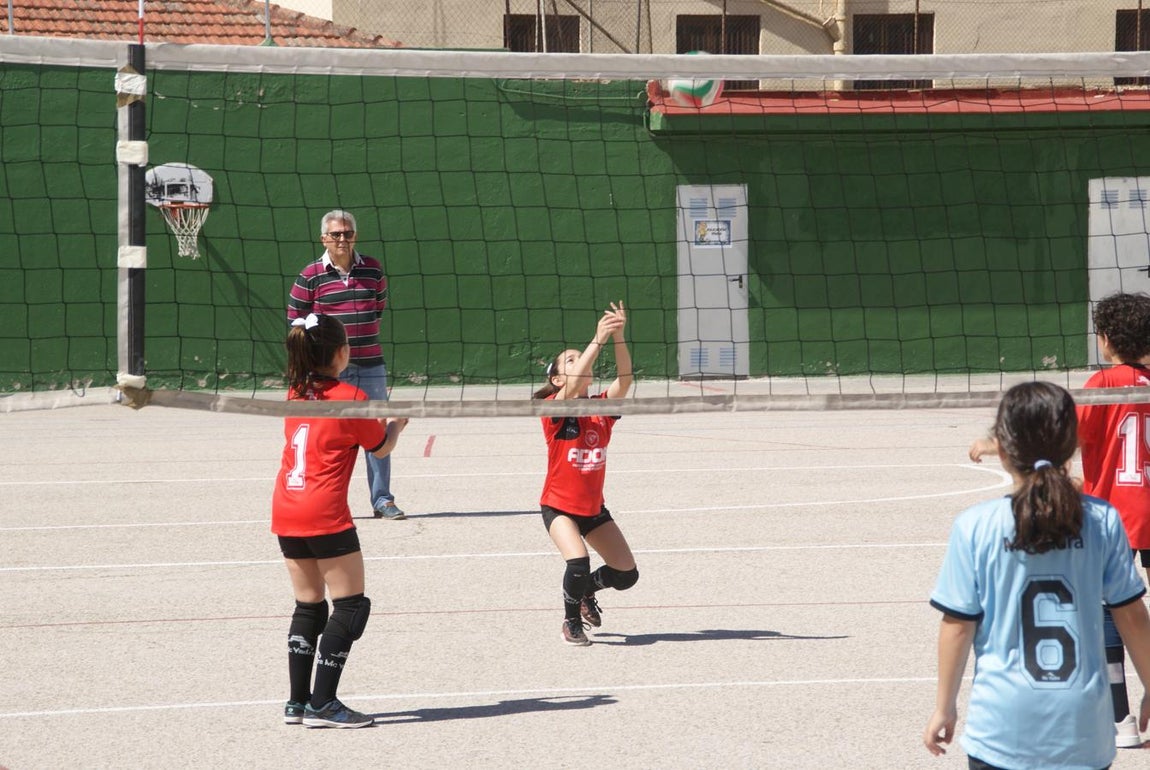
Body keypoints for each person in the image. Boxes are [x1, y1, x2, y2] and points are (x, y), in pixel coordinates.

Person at [925, 381, 1150, 769]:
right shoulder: (1101, 520)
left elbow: (958, 626)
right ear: (1072, 444)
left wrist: (944, 706)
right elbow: (1130, 616)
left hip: (1002, 727)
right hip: (1083, 730)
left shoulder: (975, 525)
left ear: (1003, 449)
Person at [969, 291, 1150, 748]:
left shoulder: (1105, 384)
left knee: (1111, 611)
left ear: (1105, 339)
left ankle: (1121, 719)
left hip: (1118, 513)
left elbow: (1056, 438)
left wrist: (996, 443)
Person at [273, 313, 407, 728]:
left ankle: (297, 703)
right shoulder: (352, 396)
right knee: (351, 607)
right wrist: (396, 426)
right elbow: (379, 449)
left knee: (309, 605)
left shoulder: (295, 391)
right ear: (341, 353)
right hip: (324, 512)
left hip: (285, 507)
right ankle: (323, 703)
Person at [533, 301, 638, 647]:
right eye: (571, 359)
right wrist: (597, 339)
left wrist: (618, 337)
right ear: (556, 378)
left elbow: (625, 381)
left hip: (593, 509)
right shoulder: (553, 410)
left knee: (626, 574)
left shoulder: (600, 409)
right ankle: (570, 622)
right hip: (559, 507)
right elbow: (576, 383)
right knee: (577, 560)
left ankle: (586, 592)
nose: (580, 362)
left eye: (581, 357)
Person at [288, 209, 404, 520]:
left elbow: (376, 311)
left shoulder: (373, 271)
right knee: (324, 434)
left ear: (355, 235)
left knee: (377, 430)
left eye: (347, 233)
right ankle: (321, 499)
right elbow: (295, 322)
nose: (342, 239)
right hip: (326, 370)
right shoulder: (309, 275)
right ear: (324, 238)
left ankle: (383, 500)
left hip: (369, 364)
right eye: (336, 234)